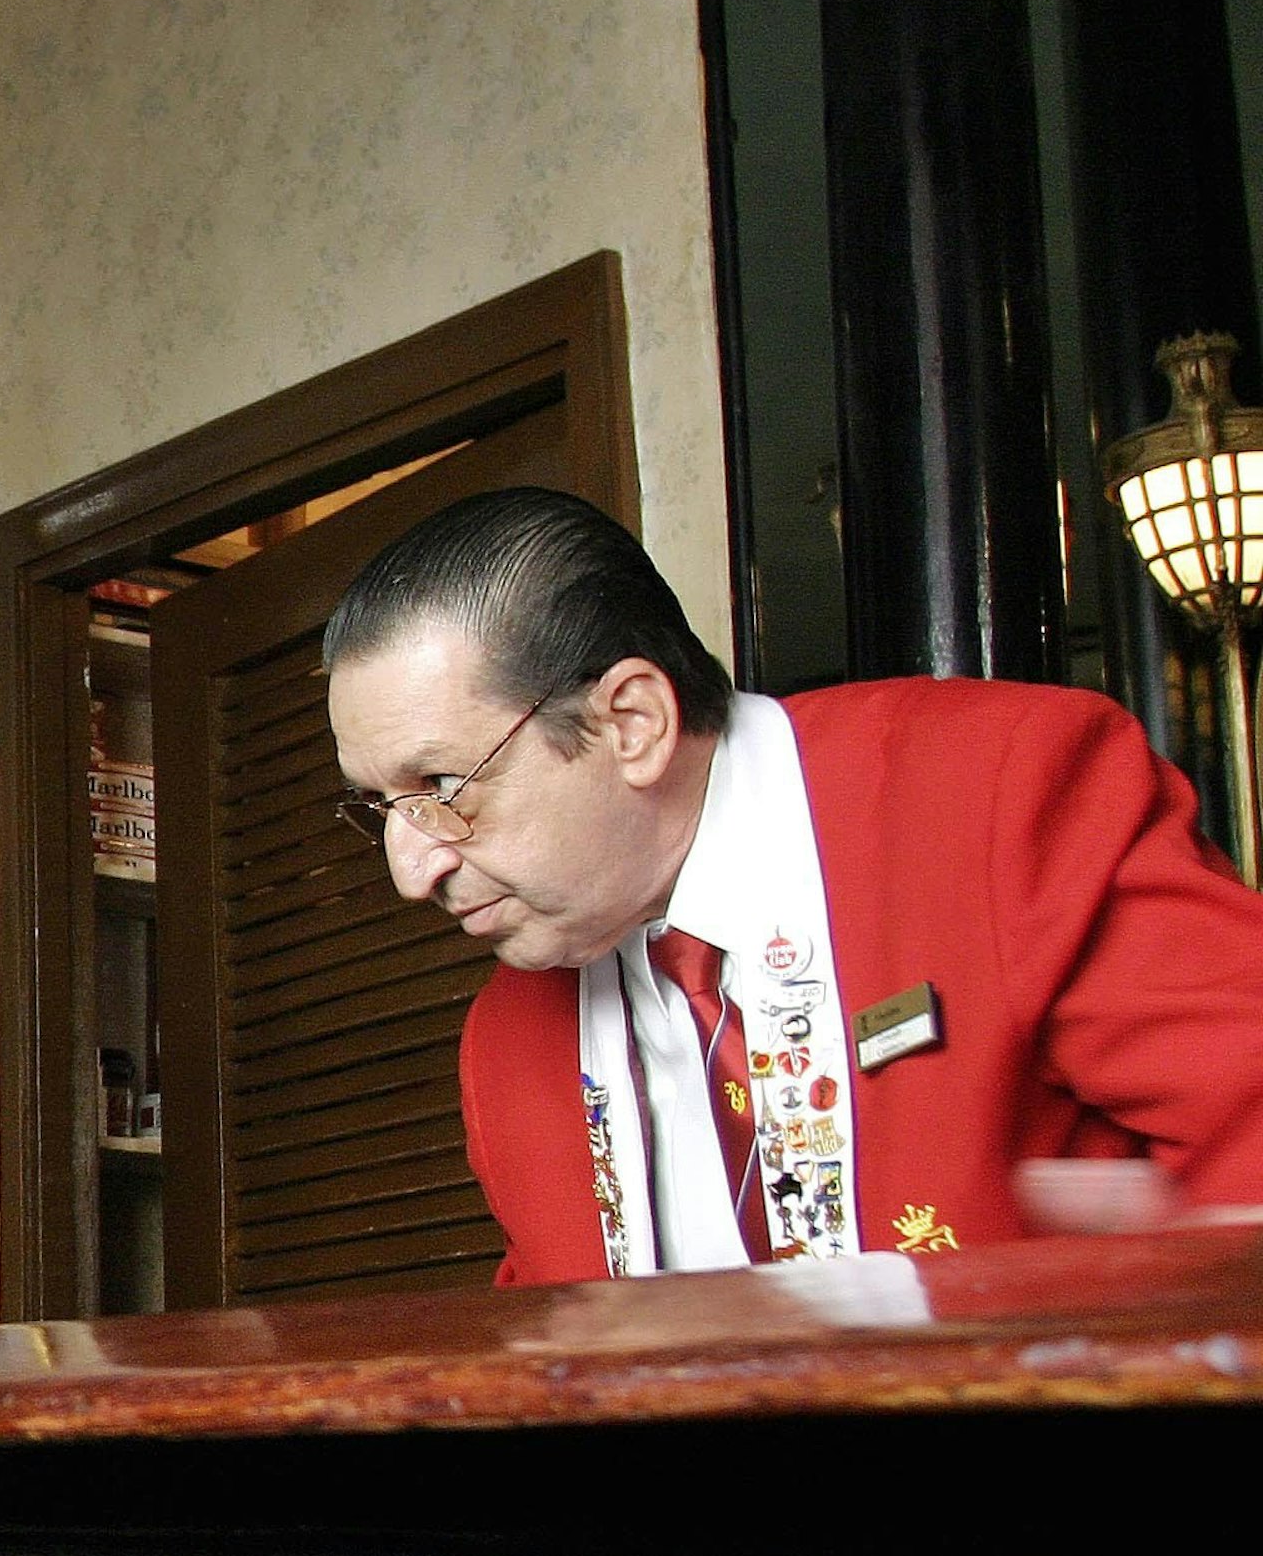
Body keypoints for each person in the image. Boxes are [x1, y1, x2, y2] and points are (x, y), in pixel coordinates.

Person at [324, 485, 1263, 1283]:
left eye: (441, 789)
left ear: (632, 722)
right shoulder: (506, 1044)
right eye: (380, 805)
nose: (412, 871)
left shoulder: (1003, 796)